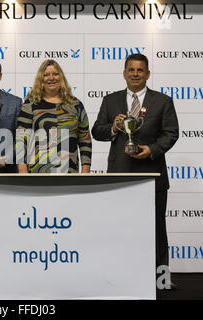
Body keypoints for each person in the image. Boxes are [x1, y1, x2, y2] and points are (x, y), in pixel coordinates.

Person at [91, 53, 179, 277]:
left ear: (148, 74)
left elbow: (171, 133)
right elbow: (97, 131)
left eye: (140, 70)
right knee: (120, 227)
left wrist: (152, 150)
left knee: (157, 228)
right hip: (119, 175)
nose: (135, 74)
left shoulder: (163, 101)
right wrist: (114, 126)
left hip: (152, 173)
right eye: (131, 70)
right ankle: (120, 274)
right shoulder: (110, 100)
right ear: (124, 74)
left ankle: (161, 278)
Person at [16, 59, 92, 173]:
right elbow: (21, 140)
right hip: (38, 173)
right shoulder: (30, 104)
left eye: (55, 74)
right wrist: (23, 172)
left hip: (69, 172)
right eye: (46, 75)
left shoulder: (76, 105)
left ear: (61, 77)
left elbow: (85, 139)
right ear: (41, 79)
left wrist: (85, 171)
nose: (51, 78)